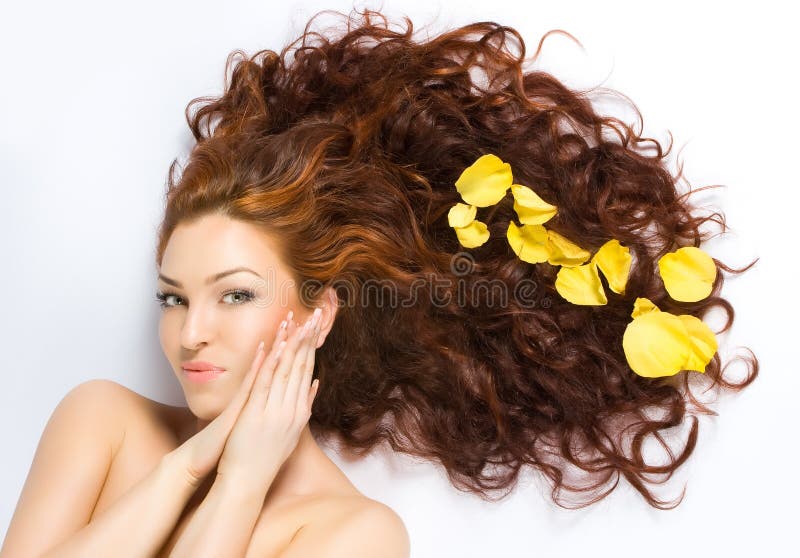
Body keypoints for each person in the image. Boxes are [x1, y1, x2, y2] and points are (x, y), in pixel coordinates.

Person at [1, 6, 759, 557]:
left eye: (234, 294)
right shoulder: (100, 420)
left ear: (317, 315)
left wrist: (238, 487)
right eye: (174, 297)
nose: (189, 331)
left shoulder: (357, 536)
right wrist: (191, 465)